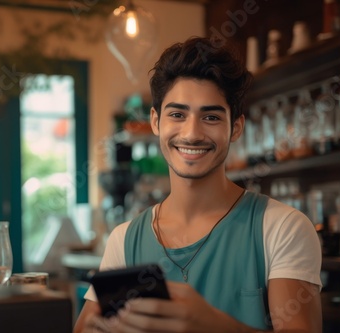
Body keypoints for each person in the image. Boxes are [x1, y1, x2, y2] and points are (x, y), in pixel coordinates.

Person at [73, 36, 322, 333]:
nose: (192, 134)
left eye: (211, 117)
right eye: (177, 115)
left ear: (236, 128)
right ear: (155, 122)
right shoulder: (124, 240)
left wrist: (212, 326)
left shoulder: (282, 227)